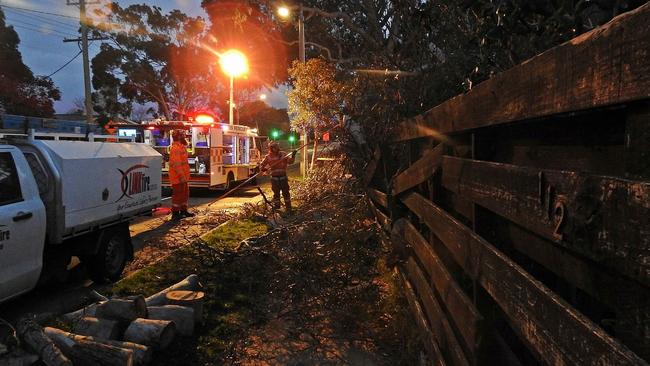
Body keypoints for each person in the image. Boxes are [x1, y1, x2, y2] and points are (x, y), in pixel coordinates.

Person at [260, 141, 296, 212]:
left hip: (283, 177)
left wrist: (293, 155)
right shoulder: (268, 157)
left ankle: (288, 208)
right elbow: (262, 165)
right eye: (274, 147)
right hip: (274, 178)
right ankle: (277, 207)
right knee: (276, 193)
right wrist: (263, 168)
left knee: (286, 192)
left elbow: (290, 162)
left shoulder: (283, 154)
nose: (275, 148)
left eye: (276, 147)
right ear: (271, 148)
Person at [169, 129, 194, 220]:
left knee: (184, 194)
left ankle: (183, 211)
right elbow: (177, 165)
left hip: (182, 176)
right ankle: (175, 213)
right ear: (179, 137)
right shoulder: (176, 148)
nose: (185, 137)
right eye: (183, 135)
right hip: (178, 177)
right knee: (178, 195)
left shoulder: (181, 147)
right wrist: (182, 176)